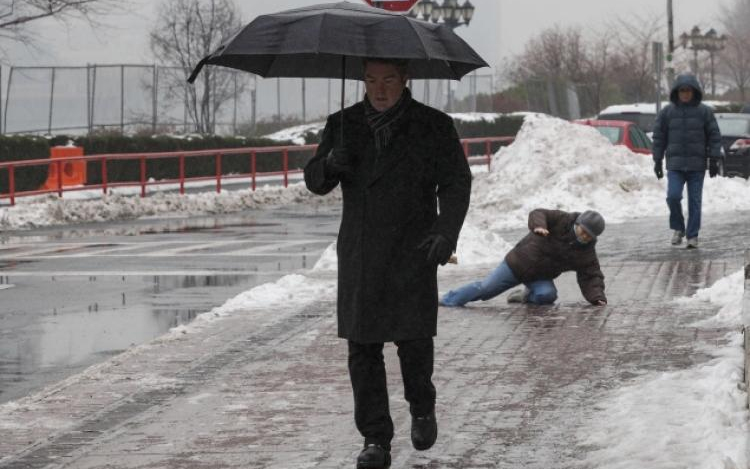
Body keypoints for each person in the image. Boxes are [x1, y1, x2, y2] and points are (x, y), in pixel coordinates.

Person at [304, 57, 471, 469]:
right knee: (363, 349)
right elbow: (314, 180)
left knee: (413, 341)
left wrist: (445, 232)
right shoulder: (342, 125)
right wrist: (328, 165)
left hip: (413, 249)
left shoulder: (433, 125)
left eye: (388, 80)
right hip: (361, 253)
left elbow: (456, 181)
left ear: (405, 80)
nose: (379, 89)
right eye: (371, 80)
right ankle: (375, 438)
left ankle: (422, 407)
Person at [440, 209, 607, 308]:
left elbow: (591, 275)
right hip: (515, 265)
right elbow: (538, 213)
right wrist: (539, 226)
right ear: (576, 223)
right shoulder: (562, 220)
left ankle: (525, 296)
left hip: (540, 277)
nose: (582, 236)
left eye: (587, 236)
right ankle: (446, 299)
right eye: (581, 230)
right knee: (484, 289)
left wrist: (597, 297)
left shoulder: (586, 253)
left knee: (547, 295)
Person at [652, 73, 722, 249]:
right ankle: (678, 227)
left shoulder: (704, 112)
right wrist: (657, 160)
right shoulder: (667, 112)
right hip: (675, 164)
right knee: (673, 197)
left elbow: (714, 136)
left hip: (697, 165)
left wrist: (714, 159)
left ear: (694, 91)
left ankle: (692, 235)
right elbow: (659, 137)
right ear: (677, 92)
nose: (685, 94)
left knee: (695, 202)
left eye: (688, 90)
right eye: (682, 90)